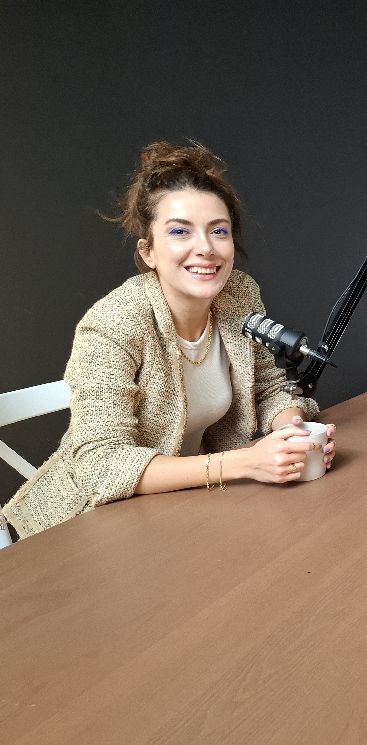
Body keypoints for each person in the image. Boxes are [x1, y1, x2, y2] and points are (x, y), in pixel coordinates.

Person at [3, 141, 336, 538]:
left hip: (181, 510)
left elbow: (267, 388)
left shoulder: (239, 295)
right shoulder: (114, 323)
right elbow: (99, 466)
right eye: (180, 231)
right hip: (84, 527)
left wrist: (292, 434)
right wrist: (245, 463)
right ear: (148, 252)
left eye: (219, 231)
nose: (205, 248)